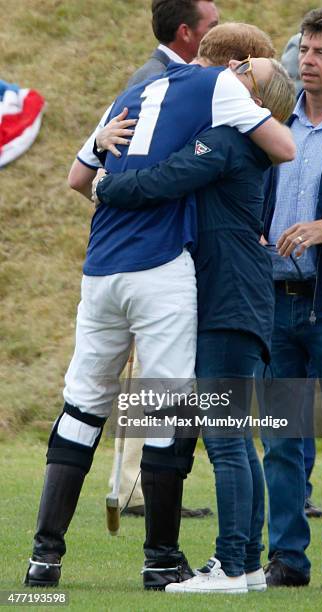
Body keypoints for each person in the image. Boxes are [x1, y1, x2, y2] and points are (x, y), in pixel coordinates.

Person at [24, 23, 295, 591]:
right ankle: (163, 558)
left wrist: (103, 169)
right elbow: (286, 146)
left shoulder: (128, 91)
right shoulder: (219, 93)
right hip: (163, 265)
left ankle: (44, 557)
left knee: (81, 406)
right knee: (170, 408)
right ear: (232, 65)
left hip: (100, 268)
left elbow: (77, 177)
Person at [92, 58, 295, 594]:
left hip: (227, 298)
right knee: (238, 441)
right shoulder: (246, 145)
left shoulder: (228, 141)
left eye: (247, 68)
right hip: (240, 297)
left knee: (227, 442)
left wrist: (105, 187)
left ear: (255, 96)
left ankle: (229, 566)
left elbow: (165, 178)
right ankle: (247, 564)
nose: (234, 66)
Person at [70, 0, 219, 519]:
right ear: (186, 32)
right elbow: (91, 176)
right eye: (213, 27)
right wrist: (106, 179)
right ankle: (136, 490)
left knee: (148, 387)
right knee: (157, 390)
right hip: (145, 258)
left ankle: (136, 487)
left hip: (132, 259)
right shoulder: (156, 78)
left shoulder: (173, 74)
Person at [257, 8, 322, 590]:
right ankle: (286, 560)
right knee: (280, 439)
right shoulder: (270, 122)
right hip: (274, 303)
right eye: (305, 51)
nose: (308, 62)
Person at [68, 0, 219, 199]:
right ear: (185, 32)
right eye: (213, 28)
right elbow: (79, 177)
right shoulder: (155, 82)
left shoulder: (161, 76)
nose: (221, 35)